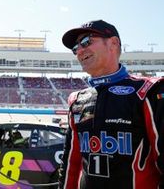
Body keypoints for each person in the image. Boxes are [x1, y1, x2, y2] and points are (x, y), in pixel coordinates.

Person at [58, 20, 164, 189]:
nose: (80, 50)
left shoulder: (149, 91)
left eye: (86, 41)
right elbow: (72, 163)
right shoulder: (76, 100)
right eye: (75, 48)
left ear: (113, 43)